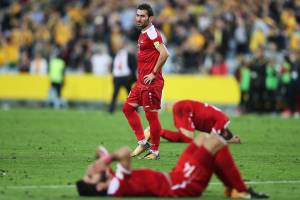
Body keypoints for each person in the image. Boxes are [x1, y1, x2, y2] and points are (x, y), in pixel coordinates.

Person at [76, 134, 268, 198]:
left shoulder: (111, 178)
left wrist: (98, 163)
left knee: (201, 137)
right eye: (91, 177)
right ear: (100, 186)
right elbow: (126, 151)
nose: (92, 173)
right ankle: (242, 191)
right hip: (184, 184)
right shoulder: (117, 186)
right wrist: (105, 161)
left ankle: (230, 187)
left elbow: (100, 150)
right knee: (216, 142)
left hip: (176, 175)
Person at [122, 3, 169, 159]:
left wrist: (154, 73)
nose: (139, 18)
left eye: (142, 16)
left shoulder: (152, 34)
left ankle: (155, 151)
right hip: (141, 82)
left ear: (150, 18)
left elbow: (165, 53)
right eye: (138, 15)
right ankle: (143, 142)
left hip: (151, 83)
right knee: (127, 109)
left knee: (151, 116)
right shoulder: (143, 33)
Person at [146, 100, 241, 144]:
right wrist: (229, 141)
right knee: (188, 139)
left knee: (185, 138)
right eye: (222, 136)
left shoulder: (220, 121)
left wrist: (230, 139)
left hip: (185, 108)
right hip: (185, 109)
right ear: (224, 132)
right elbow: (212, 137)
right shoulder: (223, 121)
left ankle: (155, 131)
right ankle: (156, 131)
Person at [108, 37, 137, 113]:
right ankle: (111, 110)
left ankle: (135, 109)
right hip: (117, 77)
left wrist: (131, 76)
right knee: (115, 94)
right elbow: (114, 67)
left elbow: (134, 66)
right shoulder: (115, 55)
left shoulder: (128, 55)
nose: (118, 46)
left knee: (130, 94)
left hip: (126, 77)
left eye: (120, 44)